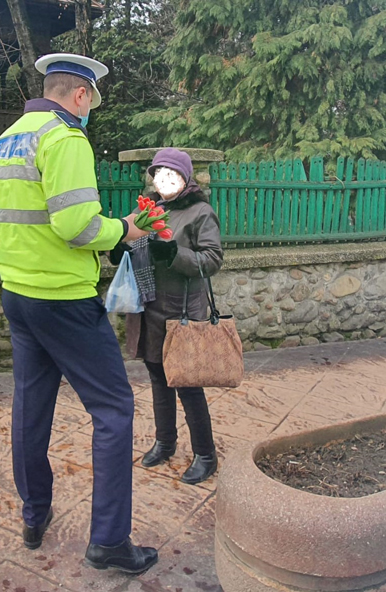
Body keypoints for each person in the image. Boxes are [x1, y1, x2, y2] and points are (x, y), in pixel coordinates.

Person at [0, 52, 157, 574]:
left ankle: (34, 514)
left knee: (30, 407)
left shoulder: (5, 141)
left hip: (18, 294)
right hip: (64, 298)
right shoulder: (65, 138)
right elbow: (77, 226)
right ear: (80, 94)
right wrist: (124, 229)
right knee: (114, 409)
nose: (89, 111)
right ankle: (109, 541)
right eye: (91, 102)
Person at [110, 148, 223, 485]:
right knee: (158, 380)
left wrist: (174, 252)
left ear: (186, 179)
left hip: (181, 312)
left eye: (171, 175)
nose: (164, 180)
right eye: (159, 174)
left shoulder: (201, 212)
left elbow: (212, 259)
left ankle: (206, 454)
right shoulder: (146, 210)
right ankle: (165, 442)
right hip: (149, 308)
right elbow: (127, 240)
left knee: (187, 385)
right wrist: (119, 249)